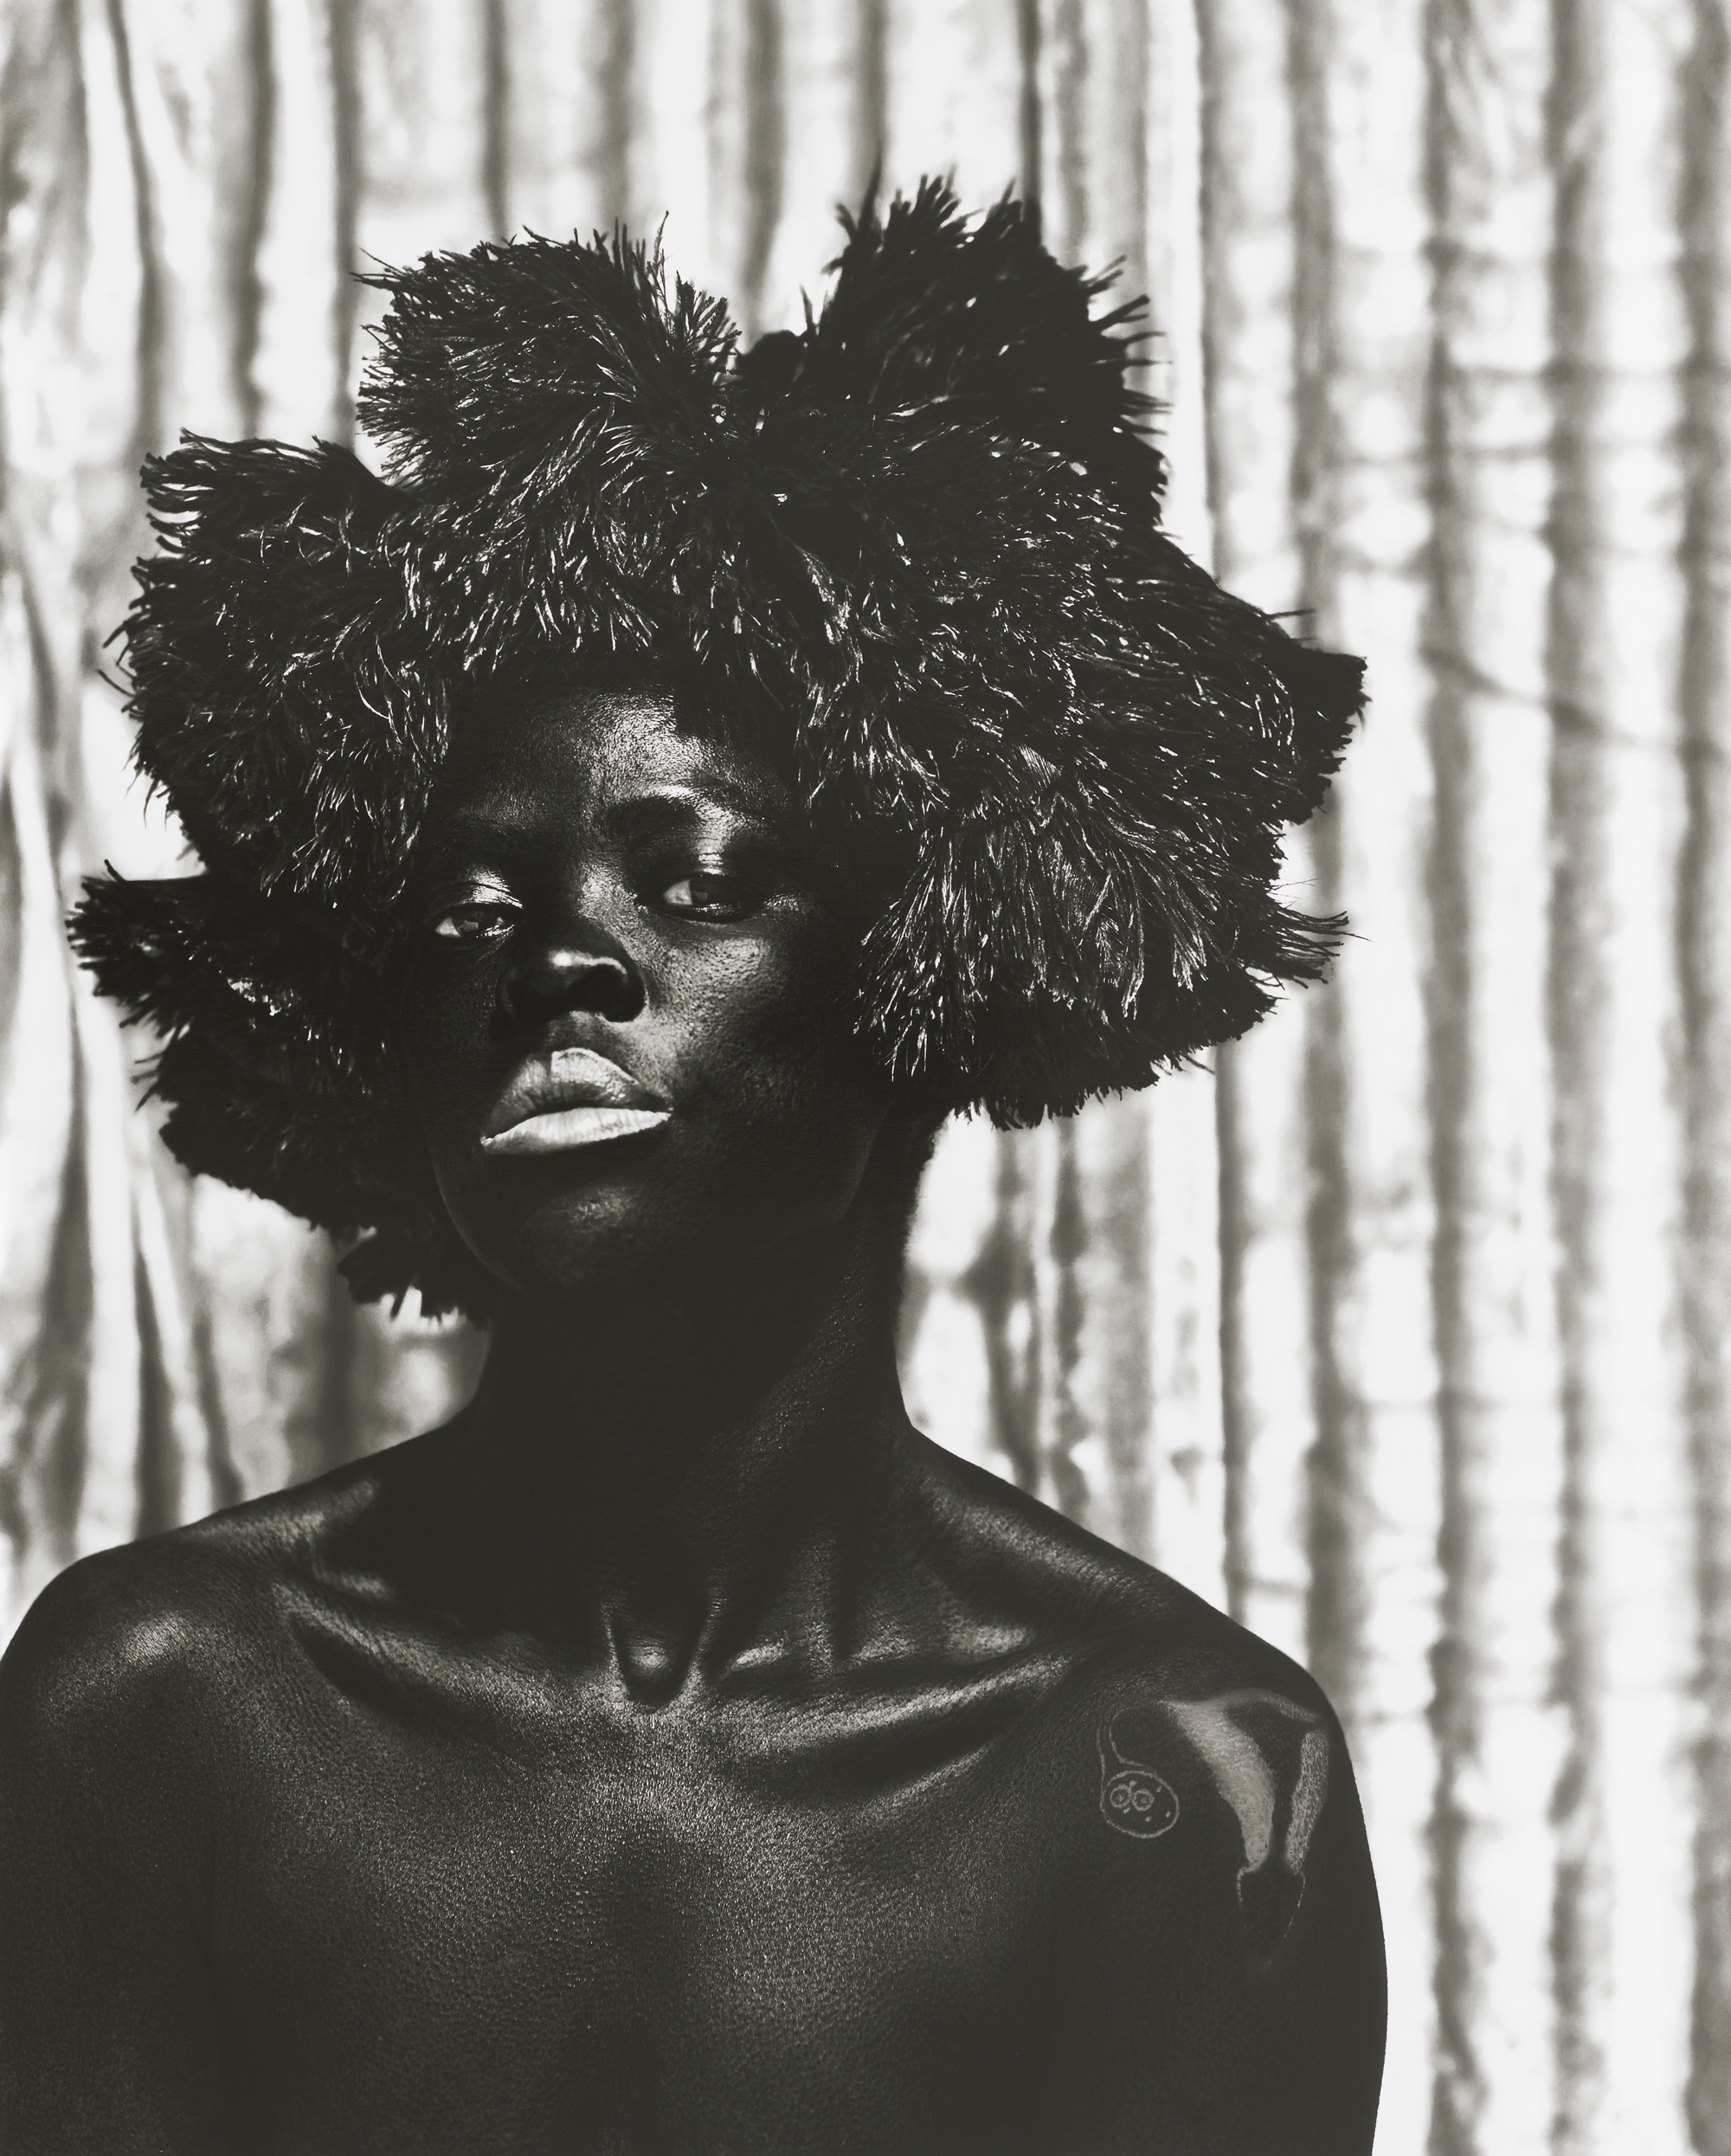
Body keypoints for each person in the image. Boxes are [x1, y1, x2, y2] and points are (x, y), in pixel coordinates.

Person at [0, 182, 1384, 2153]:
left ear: (927, 968)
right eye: (471, 912)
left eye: (691, 880)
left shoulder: (1180, 1783)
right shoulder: (153, 1712)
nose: (556, 957)